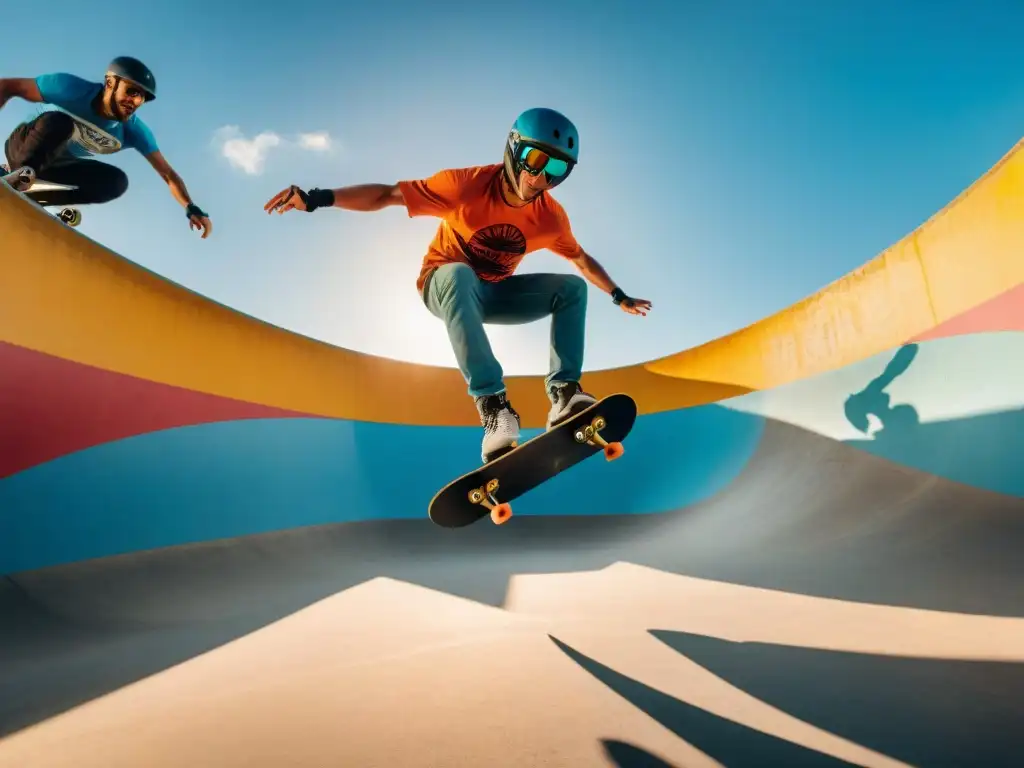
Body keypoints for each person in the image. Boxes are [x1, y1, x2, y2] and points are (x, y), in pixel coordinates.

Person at [263, 107, 652, 463]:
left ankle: (565, 394)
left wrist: (618, 295)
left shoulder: (550, 218)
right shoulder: (463, 186)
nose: (541, 177)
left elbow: (580, 259)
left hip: (491, 295)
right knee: (460, 274)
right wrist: (314, 198)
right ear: (514, 150)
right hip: (441, 283)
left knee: (571, 289)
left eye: (557, 169)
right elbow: (385, 195)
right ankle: (494, 408)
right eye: (535, 160)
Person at [0, 56, 211, 237]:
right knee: (60, 123)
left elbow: (168, 174)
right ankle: (16, 174)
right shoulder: (69, 89)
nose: (135, 101)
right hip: (24, 147)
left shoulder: (134, 131)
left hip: (57, 165)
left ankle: (36, 198)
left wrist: (190, 207)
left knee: (117, 182)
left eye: (142, 98)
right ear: (110, 82)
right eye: (131, 91)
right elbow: (8, 86)